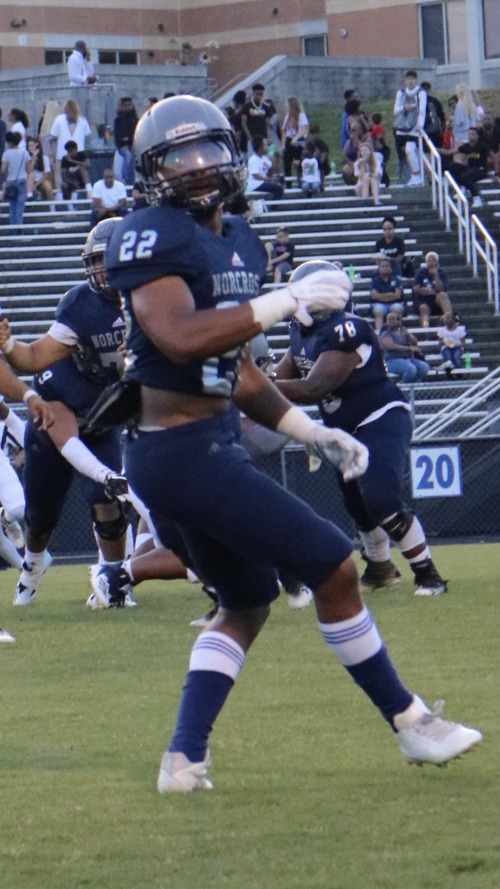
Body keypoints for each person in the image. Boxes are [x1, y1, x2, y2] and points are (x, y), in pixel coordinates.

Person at [102, 96, 481, 792]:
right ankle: (410, 721)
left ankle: (183, 759)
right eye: (179, 158)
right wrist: (283, 301)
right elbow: (181, 338)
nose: (198, 167)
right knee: (335, 565)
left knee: (246, 602)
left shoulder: (241, 240)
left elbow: (237, 369)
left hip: (207, 442)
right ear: (154, 173)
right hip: (180, 450)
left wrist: (311, 431)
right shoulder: (149, 233)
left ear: (232, 153)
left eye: (208, 151)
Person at [275, 261, 443, 598]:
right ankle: (380, 569)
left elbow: (313, 388)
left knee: (380, 498)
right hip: (344, 427)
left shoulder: (347, 329)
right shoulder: (300, 332)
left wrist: (250, 387)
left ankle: (428, 574)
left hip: (379, 417)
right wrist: (257, 378)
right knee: (357, 504)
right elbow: (281, 377)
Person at [0, 219, 130, 606]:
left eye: (107, 259)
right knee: (40, 518)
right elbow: (32, 358)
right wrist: (9, 346)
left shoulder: (151, 297)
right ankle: (32, 569)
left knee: (108, 505)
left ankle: (116, 580)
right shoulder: (81, 309)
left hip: (105, 414)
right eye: (96, 261)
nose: (102, 270)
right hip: (59, 422)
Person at [49, 100, 92, 200]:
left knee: (60, 173)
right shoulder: (82, 120)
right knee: (77, 170)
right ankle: (88, 188)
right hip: (75, 152)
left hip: (64, 152)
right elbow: (87, 135)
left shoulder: (59, 119)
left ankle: (60, 194)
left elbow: (53, 136)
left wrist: (52, 153)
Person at [440, 127, 489, 208]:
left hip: (481, 170)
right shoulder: (466, 146)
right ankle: (462, 188)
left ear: (477, 137)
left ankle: (477, 197)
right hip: (470, 169)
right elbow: (449, 152)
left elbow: (492, 156)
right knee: (452, 166)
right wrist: (435, 148)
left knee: (465, 176)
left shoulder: (482, 146)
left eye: (473, 134)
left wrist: (496, 173)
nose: (471, 136)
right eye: (469, 134)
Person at [393, 69, 427, 186]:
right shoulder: (401, 93)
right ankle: (413, 176)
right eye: (408, 79)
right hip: (401, 126)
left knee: (410, 149)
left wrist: (420, 124)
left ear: (416, 80)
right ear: (405, 80)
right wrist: (404, 108)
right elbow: (395, 110)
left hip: (414, 127)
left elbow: (422, 110)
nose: (410, 81)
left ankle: (417, 175)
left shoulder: (421, 93)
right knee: (404, 153)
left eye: (412, 79)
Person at [379, 310, 430, 382]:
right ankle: (402, 386)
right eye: (389, 319)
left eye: (393, 319)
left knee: (424, 367)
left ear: (398, 321)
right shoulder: (385, 333)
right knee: (411, 369)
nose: (390, 321)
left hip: (408, 359)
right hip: (392, 360)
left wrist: (409, 336)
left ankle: (412, 384)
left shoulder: (403, 331)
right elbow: (392, 346)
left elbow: (415, 342)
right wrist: (409, 348)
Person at [412, 251, 453, 328]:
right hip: (422, 300)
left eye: (434, 260)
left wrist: (435, 275)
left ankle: (450, 322)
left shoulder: (443, 273)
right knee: (424, 308)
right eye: (429, 260)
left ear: (437, 262)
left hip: (436, 300)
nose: (431, 262)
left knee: (443, 295)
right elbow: (416, 289)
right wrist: (432, 292)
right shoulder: (421, 272)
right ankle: (426, 329)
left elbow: (441, 289)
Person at [1, 131, 33, 226]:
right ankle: (19, 227)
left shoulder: (6, 154)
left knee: (12, 207)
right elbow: (28, 169)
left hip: (10, 181)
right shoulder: (24, 153)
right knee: (20, 207)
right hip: (22, 181)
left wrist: (7, 175)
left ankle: (12, 226)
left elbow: (3, 169)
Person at [370, 258, 405, 332]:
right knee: (378, 311)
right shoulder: (375, 281)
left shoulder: (396, 280)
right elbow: (374, 296)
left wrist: (381, 296)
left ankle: (398, 331)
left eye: (387, 266)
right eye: (383, 266)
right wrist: (390, 294)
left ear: (390, 268)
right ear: (379, 268)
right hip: (379, 304)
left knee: (397, 309)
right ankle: (378, 333)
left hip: (395, 303)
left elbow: (397, 295)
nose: (385, 268)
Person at [281, 96, 309, 179]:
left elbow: (304, 130)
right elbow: (284, 131)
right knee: (287, 163)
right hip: (289, 140)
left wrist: (296, 138)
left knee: (299, 162)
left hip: (299, 140)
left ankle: (301, 179)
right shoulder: (287, 117)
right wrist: (283, 144)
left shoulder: (301, 115)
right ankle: (288, 182)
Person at [240, 84, 271, 157]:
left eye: (261, 94)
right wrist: (250, 138)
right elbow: (244, 123)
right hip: (253, 138)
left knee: (266, 157)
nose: (259, 96)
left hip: (263, 138)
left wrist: (269, 136)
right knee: (253, 157)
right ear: (253, 93)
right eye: (257, 94)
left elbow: (267, 123)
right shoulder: (247, 106)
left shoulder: (265, 107)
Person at [113, 97, 138, 186]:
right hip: (122, 146)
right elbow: (118, 136)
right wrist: (124, 143)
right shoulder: (118, 120)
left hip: (134, 145)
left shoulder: (135, 120)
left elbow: (136, 134)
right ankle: (125, 179)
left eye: (129, 105)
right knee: (128, 156)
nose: (127, 107)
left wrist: (129, 140)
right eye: (125, 105)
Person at [26, 137, 54, 201]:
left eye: (32, 145)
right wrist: (33, 158)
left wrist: (36, 185)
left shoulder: (44, 158)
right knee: (31, 176)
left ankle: (52, 205)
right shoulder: (27, 158)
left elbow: (45, 176)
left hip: (40, 180)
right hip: (29, 180)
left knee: (48, 186)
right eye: (28, 146)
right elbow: (29, 171)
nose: (30, 147)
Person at [420, 82, 445, 148]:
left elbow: (441, 116)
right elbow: (441, 117)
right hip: (433, 130)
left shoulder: (418, 100)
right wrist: (443, 130)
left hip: (423, 130)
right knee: (435, 148)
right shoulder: (434, 101)